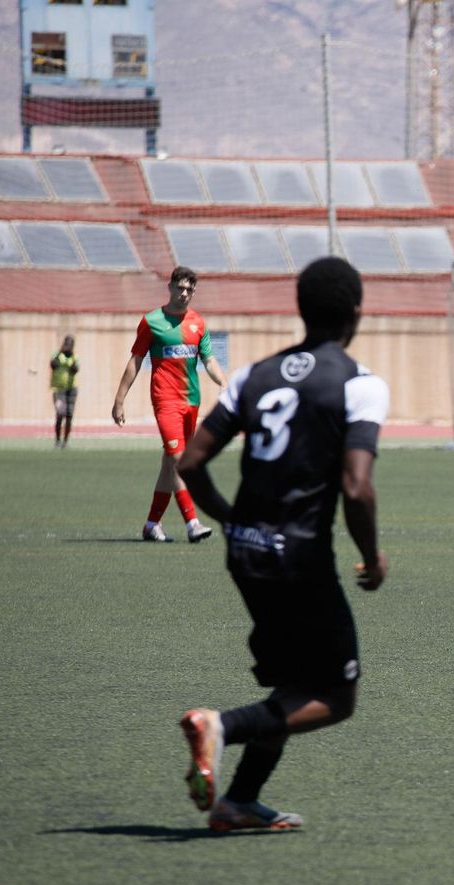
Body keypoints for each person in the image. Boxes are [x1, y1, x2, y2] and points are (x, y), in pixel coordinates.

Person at [175, 257, 389, 832]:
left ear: (301, 308)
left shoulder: (252, 375)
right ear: (356, 312)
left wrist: (230, 517)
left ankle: (238, 801)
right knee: (337, 697)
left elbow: (190, 461)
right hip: (298, 556)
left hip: (244, 552)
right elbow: (356, 487)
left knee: (293, 686)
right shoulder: (359, 383)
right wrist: (371, 556)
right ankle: (220, 726)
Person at [111, 266, 227, 543]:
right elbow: (136, 360)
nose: (185, 293)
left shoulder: (198, 323)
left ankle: (152, 524)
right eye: (181, 288)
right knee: (180, 459)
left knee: (169, 464)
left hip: (191, 402)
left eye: (190, 289)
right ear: (171, 287)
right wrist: (119, 399)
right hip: (165, 401)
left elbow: (209, 361)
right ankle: (192, 523)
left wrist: (223, 384)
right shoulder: (152, 321)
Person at [49, 334, 78, 448]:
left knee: (69, 416)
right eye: (66, 344)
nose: (68, 347)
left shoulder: (74, 357)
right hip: (58, 389)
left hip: (71, 389)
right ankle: (57, 440)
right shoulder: (57, 355)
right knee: (60, 414)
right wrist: (61, 352)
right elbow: (53, 365)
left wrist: (70, 359)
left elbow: (75, 369)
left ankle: (65, 442)